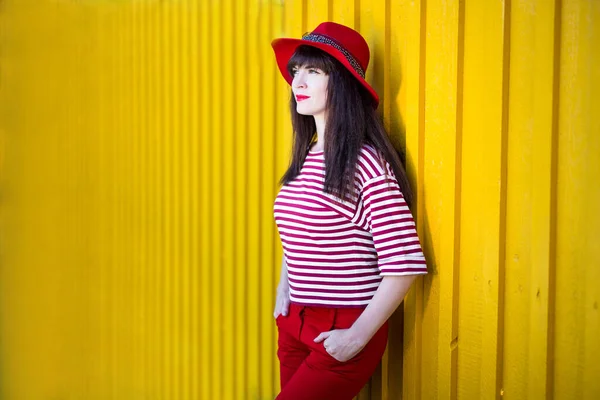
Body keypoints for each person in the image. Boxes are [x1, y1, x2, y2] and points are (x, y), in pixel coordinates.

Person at [270, 22, 428, 400]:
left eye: (314, 71)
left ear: (342, 82)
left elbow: (404, 265)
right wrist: (284, 289)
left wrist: (356, 337)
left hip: (343, 328)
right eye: (296, 71)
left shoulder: (365, 164)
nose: (298, 83)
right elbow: (297, 233)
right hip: (294, 323)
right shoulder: (306, 157)